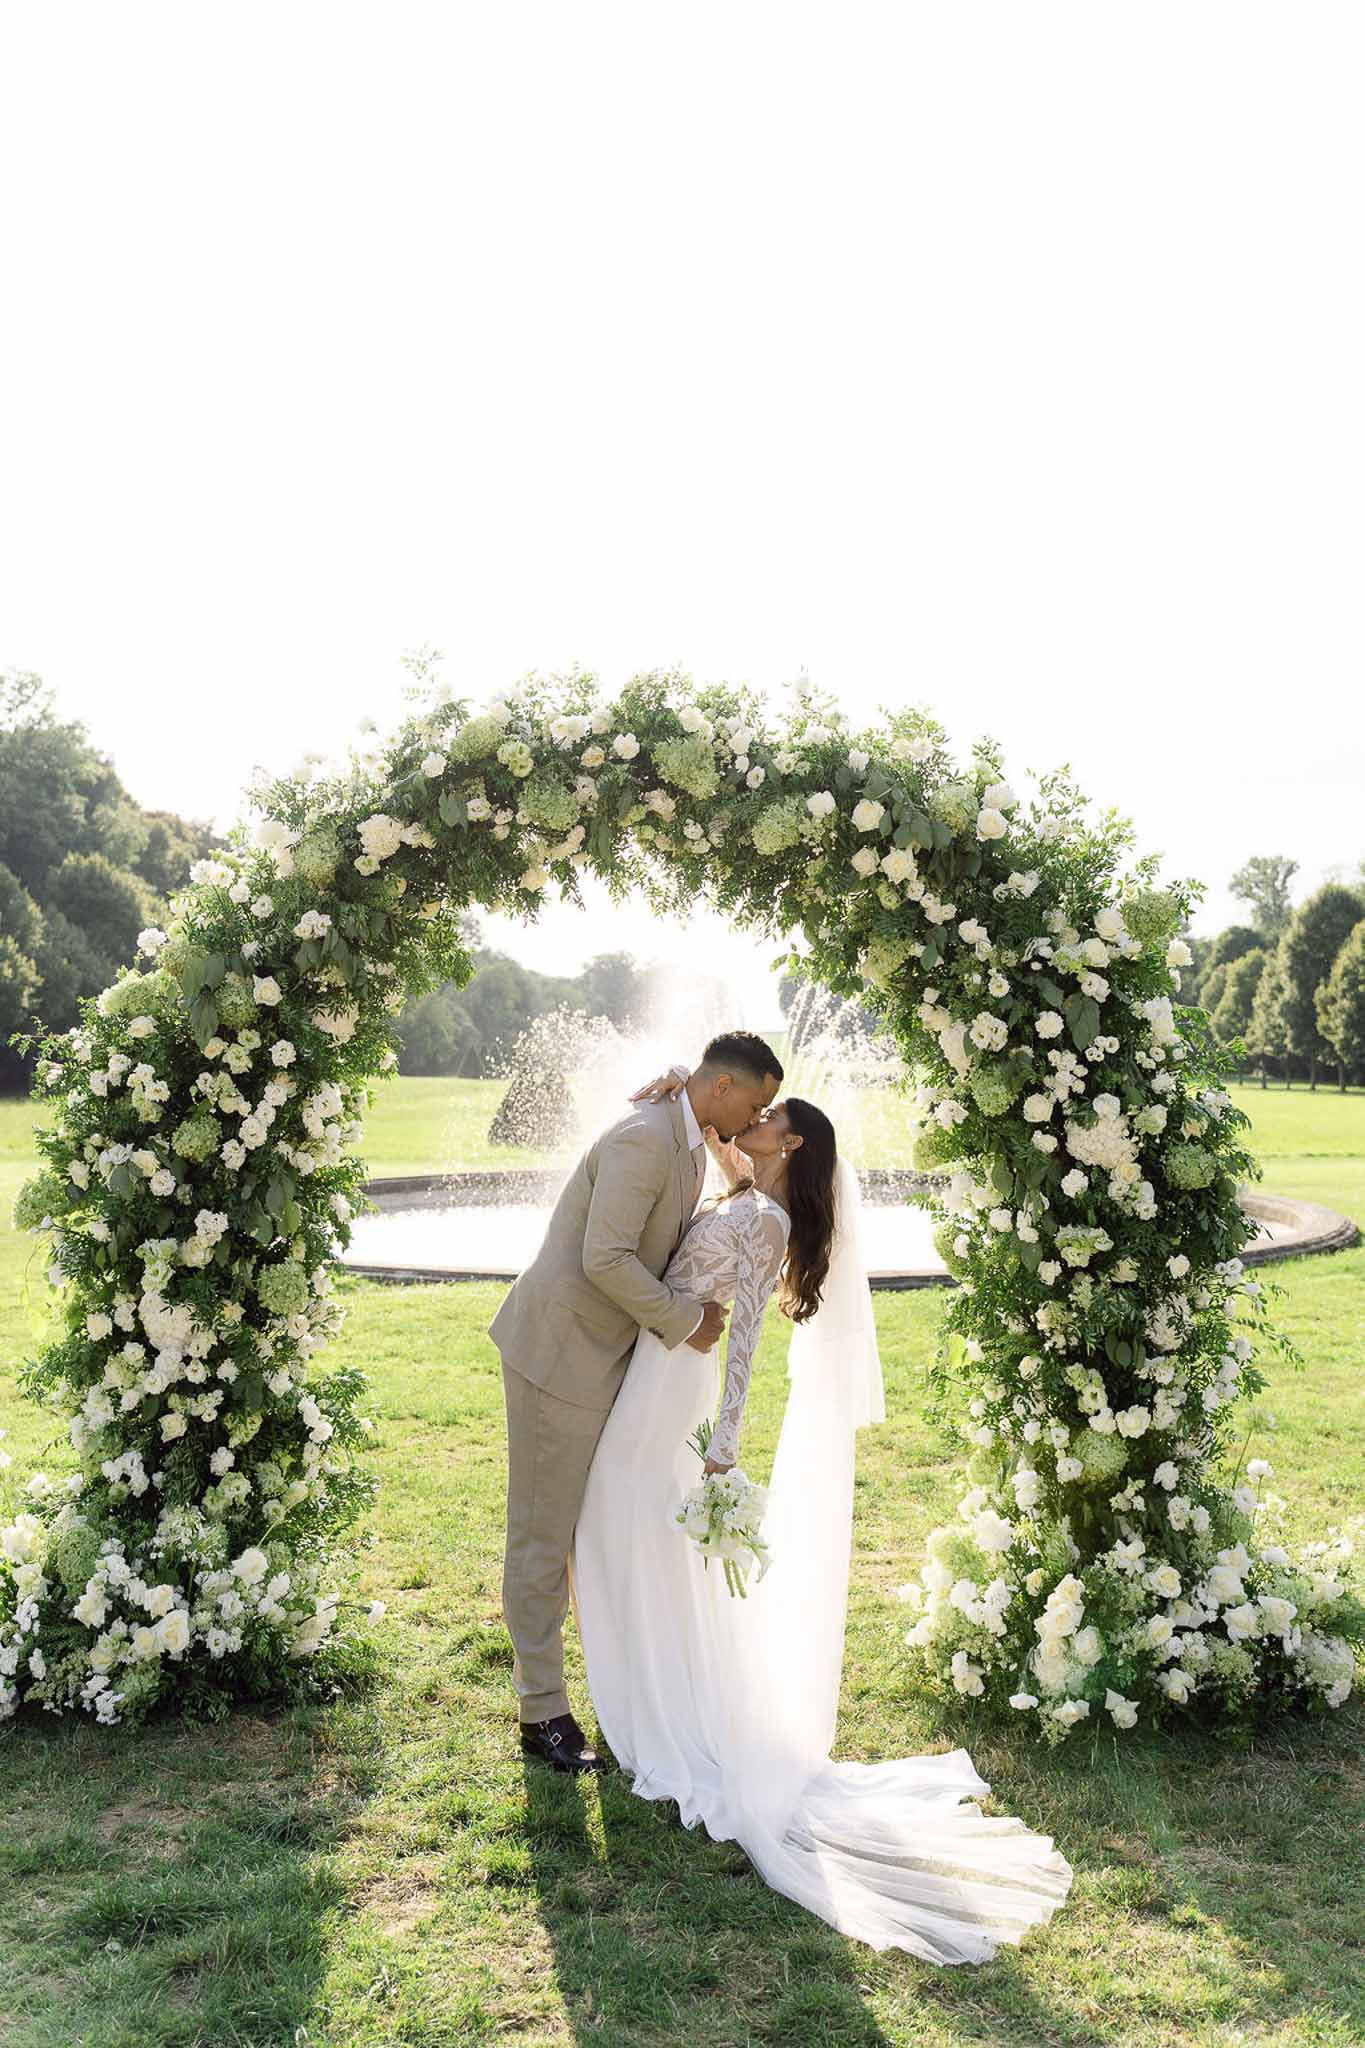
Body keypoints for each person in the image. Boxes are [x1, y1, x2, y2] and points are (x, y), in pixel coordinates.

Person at [566, 1070, 1076, 1966]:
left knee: (617, 1530)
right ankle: (649, 1687)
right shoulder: (744, 1194)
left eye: (770, 1119)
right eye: (755, 1113)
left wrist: (723, 1442)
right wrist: (662, 1097)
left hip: (671, 1398)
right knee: (619, 1535)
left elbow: (748, 1338)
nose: (753, 1121)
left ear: (791, 1145)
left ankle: (655, 1707)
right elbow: (703, 1139)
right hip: (649, 1380)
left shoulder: (764, 1224)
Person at [487, 1030, 783, 1771]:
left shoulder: (686, 1126)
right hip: (560, 1354)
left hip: (608, 1360)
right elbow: (604, 1257)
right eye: (756, 1100)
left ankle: (607, 1688)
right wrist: (688, 1322)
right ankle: (542, 1714)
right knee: (541, 1535)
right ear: (722, 1088)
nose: (759, 1116)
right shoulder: (647, 1141)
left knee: (584, 1530)